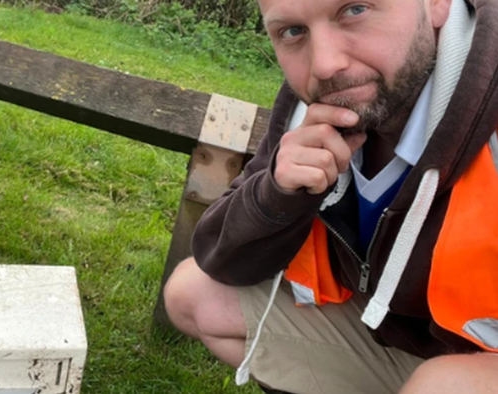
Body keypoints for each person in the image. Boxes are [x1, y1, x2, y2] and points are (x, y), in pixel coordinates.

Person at [163, 0, 498, 393]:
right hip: (407, 340)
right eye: (292, 32)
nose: (324, 64)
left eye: (354, 9)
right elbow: (224, 261)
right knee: (192, 294)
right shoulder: (320, 104)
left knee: (444, 386)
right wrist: (280, 193)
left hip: (469, 362)